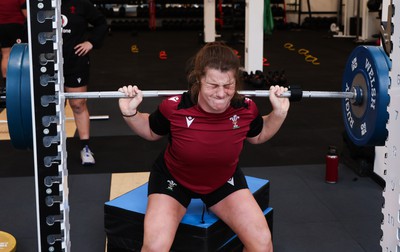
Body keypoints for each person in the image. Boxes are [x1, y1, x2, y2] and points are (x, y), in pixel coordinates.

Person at [118, 41, 290, 251]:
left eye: (228, 85)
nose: (221, 94)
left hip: (223, 179)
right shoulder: (175, 107)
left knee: (262, 244)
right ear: (199, 79)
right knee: (154, 247)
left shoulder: (245, 108)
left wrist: (278, 115)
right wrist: (130, 113)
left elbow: (259, 135)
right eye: (213, 85)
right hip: (174, 179)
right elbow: (151, 131)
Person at [61, 0, 108, 165]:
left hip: (75, 62)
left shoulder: (81, 4)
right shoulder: (42, 4)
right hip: (47, 64)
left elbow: (101, 23)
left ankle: (85, 148)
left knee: (78, 104)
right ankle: (53, 149)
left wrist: (92, 42)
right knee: (51, 108)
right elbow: (28, 29)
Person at [0, 0, 27, 93]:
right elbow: (26, 13)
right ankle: (20, 82)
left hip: (1, 26)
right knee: (20, 54)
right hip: (16, 26)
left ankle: (6, 85)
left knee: (5, 54)